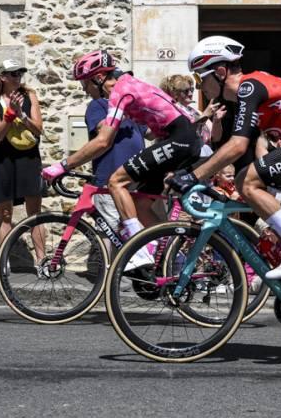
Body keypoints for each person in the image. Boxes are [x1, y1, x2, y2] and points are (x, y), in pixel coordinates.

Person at [168, 36, 281, 282]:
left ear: (221, 72)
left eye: (201, 79)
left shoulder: (249, 87)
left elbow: (237, 146)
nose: (201, 87)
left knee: (247, 180)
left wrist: (192, 177)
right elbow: (232, 148)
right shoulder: (252, 94)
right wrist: (195, 170)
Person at [41, 50, 200, 269]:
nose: (84, 90)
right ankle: (172, 256)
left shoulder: (121, 91)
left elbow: (103, 141)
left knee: (116, 181)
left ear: (98, 78)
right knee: (139, 204)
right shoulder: (128, 86)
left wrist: (62, 166)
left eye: (85, 83)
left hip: (179, 138)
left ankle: (140, 250)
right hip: (181, 139)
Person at [0, 59, 45, 278]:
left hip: (29, 157)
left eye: (20, 73)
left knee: (35, 213)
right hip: (5, 158)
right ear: (2, 77)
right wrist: (10, 113)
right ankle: (3, 262)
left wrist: (22, 115)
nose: (17, 76)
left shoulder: (30, 96)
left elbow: (39, 130)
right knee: (6, 213)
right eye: (12, 73)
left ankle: (42, 261)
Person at [83, 68, 146, 246]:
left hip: (134, 176)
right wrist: (121, 112)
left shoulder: (130, 108)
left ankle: (134, 268)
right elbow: (103, 129)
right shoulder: (99, 105)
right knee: (110, 229)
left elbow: (148, 132)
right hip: (108, 177)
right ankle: (109, 269)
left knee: (134, 226)